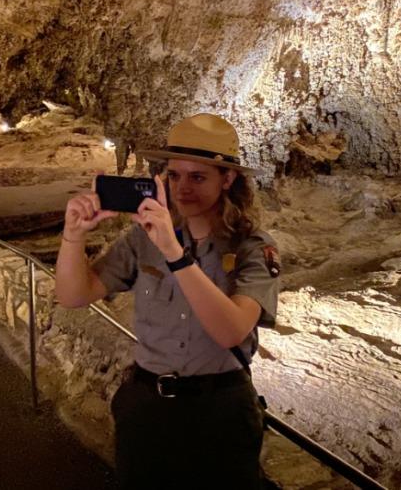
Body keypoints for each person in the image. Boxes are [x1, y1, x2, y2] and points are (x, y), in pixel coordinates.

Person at [54, 113, 280, 489]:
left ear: (228, 179)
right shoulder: (144, 240)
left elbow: (231, 331)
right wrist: (73, 235)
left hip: (220, 406)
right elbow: (73, 295)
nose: (182, 188)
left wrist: (175, 253)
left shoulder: (253, 248)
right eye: (174, 176)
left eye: (197, 177)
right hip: (148, 405)